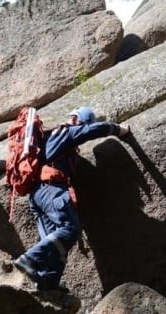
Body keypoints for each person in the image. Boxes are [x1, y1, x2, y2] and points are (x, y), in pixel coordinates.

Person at [14, 107, 130, 292]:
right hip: (51, 190)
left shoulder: (48, 138)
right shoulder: (65, 131)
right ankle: (30, 259)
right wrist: (119, 129)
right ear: (78, 120)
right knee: (70, 229)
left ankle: (47, 282)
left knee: (56, 245)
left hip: (36, 195)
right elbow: (93, 130)